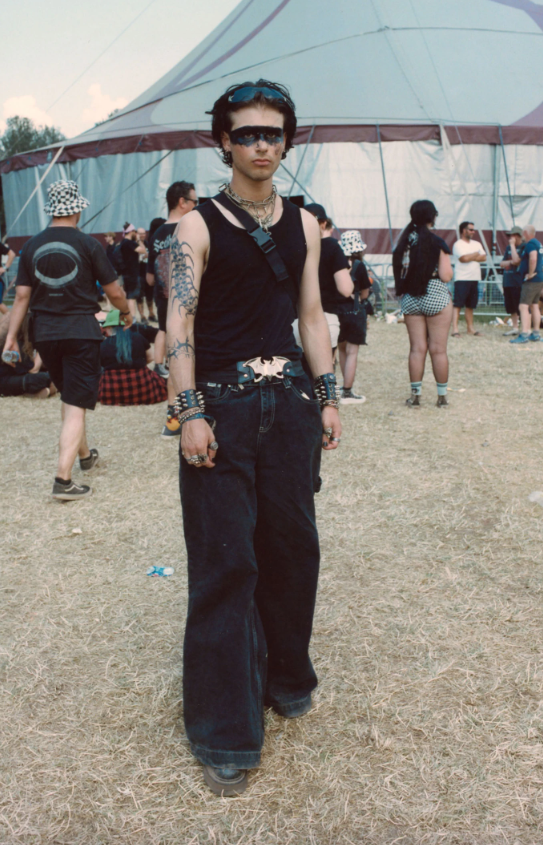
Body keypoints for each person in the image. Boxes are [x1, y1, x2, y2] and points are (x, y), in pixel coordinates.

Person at [166, 79, 341, 796]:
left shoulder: (303, 224)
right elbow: (178, 324)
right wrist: (190, 410)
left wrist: (328, 397)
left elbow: (311, 315)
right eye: (247, 134)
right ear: (224, 141)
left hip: (291, 405)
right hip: (224, 408)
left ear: (287, 140)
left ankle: (286, 674)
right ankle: (224, 728)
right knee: (226, 562)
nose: (261, 145)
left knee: (293, 549)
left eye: (273, 133)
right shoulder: (196, 226)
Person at [2, 180, 131, 501]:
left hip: (44, 333)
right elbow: (114, 291)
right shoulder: (88, 244)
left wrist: (10, 340)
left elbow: (20, 297)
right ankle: (63, 479)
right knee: (75, 403)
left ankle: (85, 456)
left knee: (70, 398)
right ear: (77, 208)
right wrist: (126, 312)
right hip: (80, 332)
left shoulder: (31, 246)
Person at [146, 181, 198, 437]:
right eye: (195, 202)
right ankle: (196, 414)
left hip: (165, 304)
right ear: (182, 202)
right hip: (193, 306)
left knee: (176, 358)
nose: (197, 206)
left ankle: (173, 416)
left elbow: (150, 279)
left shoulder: (155, 236)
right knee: (196, 358)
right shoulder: (192, 228)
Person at [393, 200, 454, 407]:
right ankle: (442, 397)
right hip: (435, 294)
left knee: (417, 349)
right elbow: (446, 276)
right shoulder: (437, 242)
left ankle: (415, 396)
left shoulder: (404, 242)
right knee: (438, 349)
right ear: (432, 217)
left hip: (411, 298)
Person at [303, 203, 353, 362]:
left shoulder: (293, 247)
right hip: (325, 317)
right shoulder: (331, 246)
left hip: (296, 319)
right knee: (324, 376)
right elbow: (346, 289)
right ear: (324, 223)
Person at [98, 310, 167, 405]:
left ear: (109, 327)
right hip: (142, 388)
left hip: (112, 390)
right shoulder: (138, 337)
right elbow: (151, 357)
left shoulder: (103, 345)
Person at [0, 312, 54, 398]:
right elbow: (33, 370)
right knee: (43, 378)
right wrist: (42, 348)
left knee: (52, 374)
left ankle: (41, 391)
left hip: (9, 377)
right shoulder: (17, 347)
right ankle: (47, 388)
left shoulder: (21, 344)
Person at [339, 229, 372, 404]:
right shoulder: (359, 265)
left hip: (338, 311)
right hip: (355, 310)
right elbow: (365, 293)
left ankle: (344, 386)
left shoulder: (337, 263)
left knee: (342, 350)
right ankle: (348, 391)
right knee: (353, 352)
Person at [509, 224, 543, 344]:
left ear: (526, 233)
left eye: (522, 233)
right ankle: (535, 334)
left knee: (523, 306)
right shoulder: (538, 243)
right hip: (540, 278)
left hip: (532, 280)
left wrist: (530, 273)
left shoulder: (530, 244)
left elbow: (533, 258)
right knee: (534, 305)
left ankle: (524, 334)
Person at [451, 221, 486, 337]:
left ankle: (470, 328)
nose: (473, 232)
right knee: (458, 305)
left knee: (471, 305)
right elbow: (463, 259)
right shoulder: (458, 244)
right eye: (470, 229)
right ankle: (455, 329)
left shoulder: (477, 243)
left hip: (474, 278)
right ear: (463, 230)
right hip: (462, 278)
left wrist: (471, 256)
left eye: (473, 230)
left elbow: (484, 257)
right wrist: (476, 254)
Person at [499, 226, 524, 336]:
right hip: (508, 280)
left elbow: (517, 260)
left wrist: (513, 246)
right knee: (511, 307)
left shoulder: (523, 246)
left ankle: (525, 328)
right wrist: (511, 262)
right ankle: (515, 327)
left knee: (520, 306)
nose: (510, 238)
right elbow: (502, 263)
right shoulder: (508, 248)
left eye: (512, 235)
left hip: (518, 281)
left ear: (518, 236)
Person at [119, 224, 146, 322]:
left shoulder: (122, 243)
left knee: (128, 296)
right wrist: (139, 240)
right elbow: (143, 251)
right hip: (132, 274)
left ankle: (129, 317)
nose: (136, 234)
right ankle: (133, 318)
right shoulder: (130, 243)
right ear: (131, 232)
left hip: (126, 274)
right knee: (132, 297)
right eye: (135, 231)